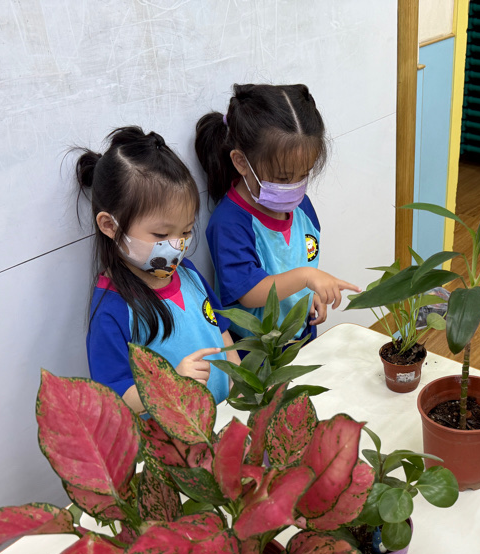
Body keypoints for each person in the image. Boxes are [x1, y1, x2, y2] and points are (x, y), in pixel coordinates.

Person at [76, 126, 238, 413]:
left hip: (225, 418)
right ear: (110, 225)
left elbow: (221, 332)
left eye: (186, 231)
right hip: (174, 438)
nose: (177, 246)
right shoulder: (112, 311)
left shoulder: (189, 274)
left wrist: (241, 386)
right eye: (161, 235)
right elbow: (114, 398)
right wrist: (169, 385)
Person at [195, 83, 358, 342]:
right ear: (241, 162)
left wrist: (310, 294)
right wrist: (307, 278)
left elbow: (301, 262)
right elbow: (249, 292)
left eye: (303, 175)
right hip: (259, 351)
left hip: (301, 333)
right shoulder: (229, 222)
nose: (294, 187)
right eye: (283, 178)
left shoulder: (301, 206)